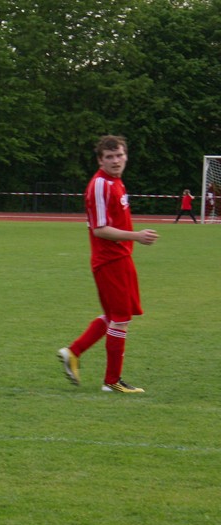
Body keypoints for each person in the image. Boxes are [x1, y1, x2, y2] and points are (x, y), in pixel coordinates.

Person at [57, 135, 158, 393]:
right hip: (110, 260)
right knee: (121, 319)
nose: (115, 161)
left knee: (113, 316)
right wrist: (136, 236)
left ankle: (74, 352)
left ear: (126, 156)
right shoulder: (101, 184)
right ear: (100, 160)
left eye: (119, 155)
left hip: (119, 258)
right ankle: (112, 381)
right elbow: (100, 229)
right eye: (109, 157)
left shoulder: (116, 182)